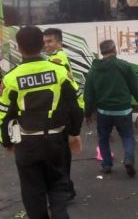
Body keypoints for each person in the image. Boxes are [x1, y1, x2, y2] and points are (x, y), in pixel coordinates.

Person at [0, 26, 83, 219]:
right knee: (58, 188)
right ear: (42, 46)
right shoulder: (60, 72)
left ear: (18, 47)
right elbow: (77, 103)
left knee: (32, 193)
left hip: (26, 145)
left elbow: (3, 114)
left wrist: (6, 141)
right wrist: (74, 133)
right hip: (56, 141)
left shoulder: (11, 79)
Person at [84, 39, 138, 177]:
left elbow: (89, 94)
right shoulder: (124, 66)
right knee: (127, 135)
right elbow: (134, 86)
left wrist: (87, 113)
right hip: (123, 110)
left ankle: (106, 165)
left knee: (103, 137)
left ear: (101, 52)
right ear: (114, 50)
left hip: (103, 111)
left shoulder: (93, 70)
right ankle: (128, 159)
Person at [43, 27, 82, 201]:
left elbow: (67, 92)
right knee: (62, 158)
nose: (47, 45)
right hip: (68, 114)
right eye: (44, 42)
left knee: (61, 159)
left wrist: (74, 128)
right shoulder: (54, 58)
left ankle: (66, 191)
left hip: (66, 115)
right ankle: (67, 189)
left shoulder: (57, 60)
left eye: (50, 41)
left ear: (59, 43)